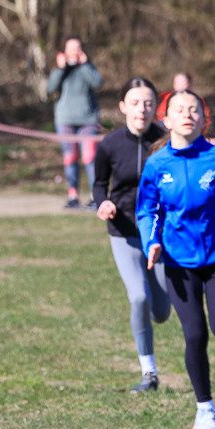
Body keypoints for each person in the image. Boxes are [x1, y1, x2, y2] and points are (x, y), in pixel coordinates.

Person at [136, 90, 215, 429]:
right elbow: (146, 210)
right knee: (195, 334)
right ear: (167, 120)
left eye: (195, 110)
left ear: (205, 120)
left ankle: (208, 401)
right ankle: (205, 410)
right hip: (176, 261)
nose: (188, 114)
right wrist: (152, 242)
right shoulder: (157, 164)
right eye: (179, 110)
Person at [92, 77, 173, 393]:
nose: (143, 109)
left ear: (156, 107)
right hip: (124, 233)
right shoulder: (110, 144)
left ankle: (155, 318)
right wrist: (103, 203)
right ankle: (149, 373)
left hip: (161, 235)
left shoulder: (168, 141)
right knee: (138, 296)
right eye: (136, 102)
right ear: (123, 106)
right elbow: (100, 185)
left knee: (163, 311)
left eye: (149, 102)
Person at [46, 36, 103, 209]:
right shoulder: (60, 71)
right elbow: (50, 89)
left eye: (77, 48)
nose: (74, 52)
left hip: (88, 120)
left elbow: (97, 83)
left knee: (90, 158)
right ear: (64, 51)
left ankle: (95, 196)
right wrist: (60, 69)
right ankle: (73, 196)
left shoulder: (88, 68)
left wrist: (85, 65)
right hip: (65, 120)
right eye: (70, 48)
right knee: (70, 159)